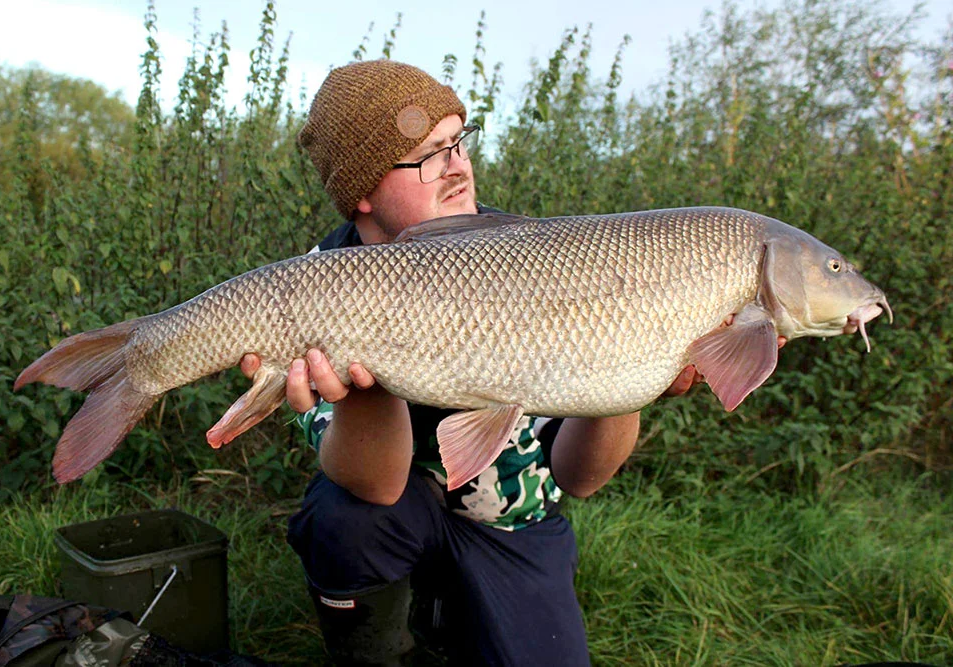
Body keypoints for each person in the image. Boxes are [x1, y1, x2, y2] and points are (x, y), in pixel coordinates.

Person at [238, 59, 723, 666]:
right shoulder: (311, 289)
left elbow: (581, 478)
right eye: (427, 156)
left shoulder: (532, 257)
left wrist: (632, 373)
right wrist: (368, 381)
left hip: (511, 518)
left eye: (458, 143)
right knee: (342, 519)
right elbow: (376, 486)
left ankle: (463, 615)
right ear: (362, 192)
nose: (457, 166)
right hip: (396, 511)